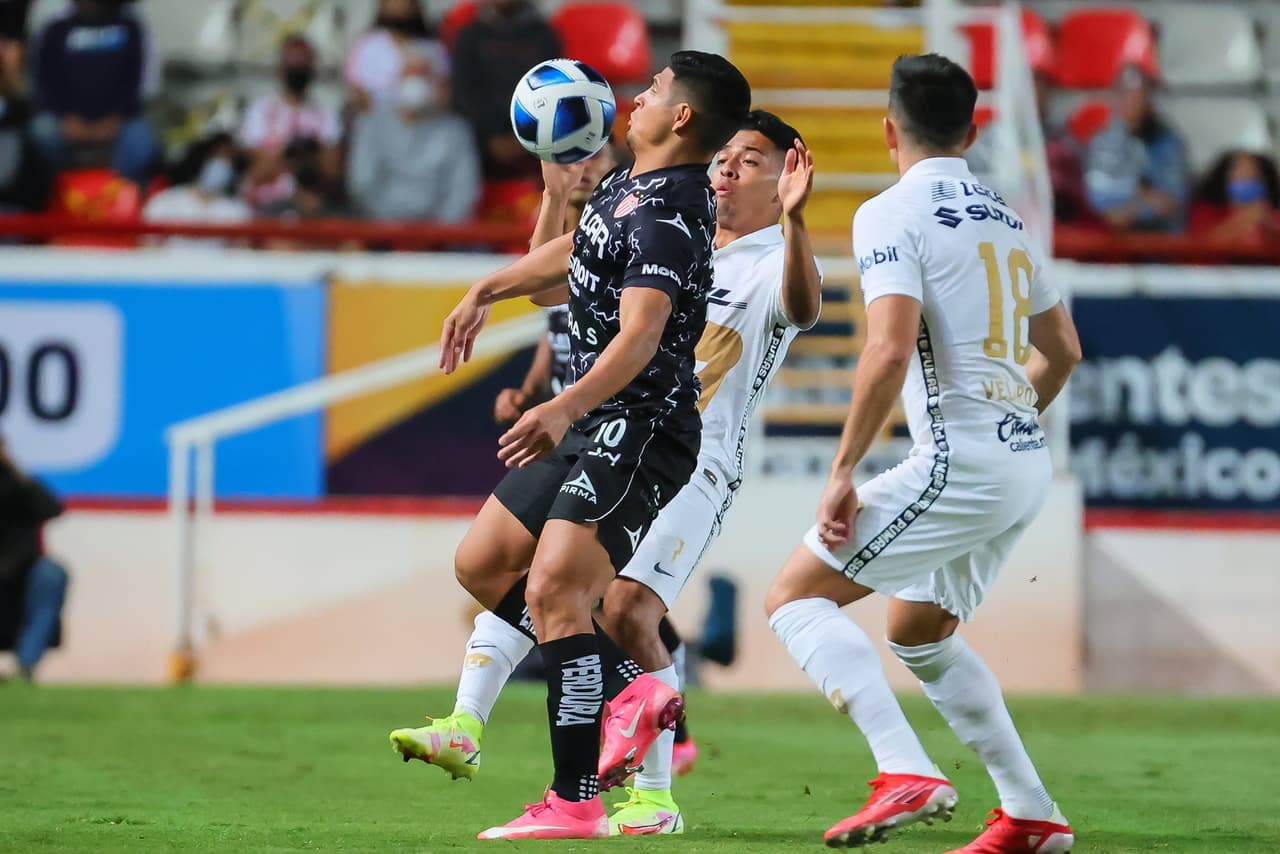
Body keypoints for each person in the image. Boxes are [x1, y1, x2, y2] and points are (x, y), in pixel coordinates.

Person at [393, 51, 751, 841]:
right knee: (482, 564)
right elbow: (574, 255)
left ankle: (577, 799)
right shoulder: (631, 187)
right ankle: (632, 688)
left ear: (681, 115)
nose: (640, 93)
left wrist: (560, 405)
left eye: (656, 87)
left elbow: (642, 333)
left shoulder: (673, 208)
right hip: (591, 420)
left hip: (638, 427)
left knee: (558, 592)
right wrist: (489, 286)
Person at [764, 54, 1080, 853]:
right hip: (1021, 462)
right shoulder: (1006, 216)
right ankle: (1031, 814)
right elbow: (1064, 350)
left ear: (887, 131)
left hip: (961, 464)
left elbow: (888, 348)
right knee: (918, 628)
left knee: (795, 598)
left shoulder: (889, 211)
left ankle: (905, 767)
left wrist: (842, 471)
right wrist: (1011, 421)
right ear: (971, 130)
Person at [31, 0, 161, 184]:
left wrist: (116, 118)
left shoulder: (131, 28)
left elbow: (136, 81)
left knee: (141, 143)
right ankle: (64, 188)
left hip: (118, 118)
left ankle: (116, 193)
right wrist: (67, 117)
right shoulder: (56, 29)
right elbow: (46, 81)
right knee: (42, 131)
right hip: (66, 118)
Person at [346, 58, 479, 222]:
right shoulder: (370, 124)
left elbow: (464, 191)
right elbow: (362, 183)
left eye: (423, 76)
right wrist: (393, 229)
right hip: (380, 232)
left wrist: (437, 233)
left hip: (440, 236)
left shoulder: (456, 131)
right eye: (409, 74)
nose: (415, 82)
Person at [450, 0, 560, 180]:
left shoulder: (545, 35)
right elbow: (462, 93)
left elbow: (555, 90)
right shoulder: (470, 35)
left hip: (536, 138)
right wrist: (490, 138)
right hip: (480, 140)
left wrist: (522, 139)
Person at [238, 35, 341, 209]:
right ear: (280, 68)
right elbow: (258, 171)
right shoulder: (260, 111)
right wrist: (289, 151)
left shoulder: (326, 115)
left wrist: (307, 152)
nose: (298, 68)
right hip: (266, 204)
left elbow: (332, 171)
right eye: (293, 63)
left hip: (310, 206)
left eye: (303, 63)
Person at [1084, 64, 1189, 233]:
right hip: (1111, 245)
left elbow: (1172, 199)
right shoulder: (1101, 142)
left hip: (1162, 245)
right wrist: (1140, 194)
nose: (1134, 100)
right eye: (1126, 94)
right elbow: (1098, 197)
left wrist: (1131, 210)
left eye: (1140, 93)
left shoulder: (1170, 143)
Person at [0, 435, 69, 682]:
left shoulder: (19, 484)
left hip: (23, 569)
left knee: (52, 574)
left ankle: (26, 664)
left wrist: (16, 470)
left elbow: (53, 508)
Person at [142, 131, 251, 247]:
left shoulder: (237, 211)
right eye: (215, 157)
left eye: (228, 160)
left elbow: (241, 252)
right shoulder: (166, 201)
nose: (221, 164)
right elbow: (148, 248)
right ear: (201, 160)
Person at [345, 0, 449, 112]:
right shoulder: (365, 46)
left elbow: (444, 95)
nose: (404, 4)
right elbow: (356, 94)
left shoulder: (434, 48)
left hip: (427, 124)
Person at [1188, 150, 1280, 245]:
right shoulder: (1204, 212)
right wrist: (1244, 220)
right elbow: (1200, 248)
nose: (1246, 181)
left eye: (1253, 177)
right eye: (1240, 176)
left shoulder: (1274, 216)